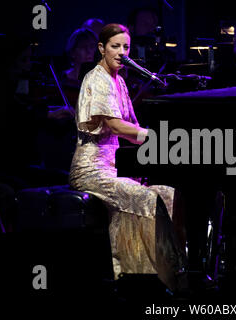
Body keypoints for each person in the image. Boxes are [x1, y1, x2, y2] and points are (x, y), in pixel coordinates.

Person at [68, 23, 187, 293]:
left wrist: (165, 136)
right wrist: (160, 138)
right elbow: (117, 127)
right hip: (91, 169)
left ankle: (160, 273)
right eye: (115, 46)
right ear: (102, 48)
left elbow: (133, 128)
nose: (122, 52)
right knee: (144, 197)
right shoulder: (95, 79)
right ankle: (144, 281)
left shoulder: (119, 81)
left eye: (126, 47)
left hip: (115, 166)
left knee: (168, 193)